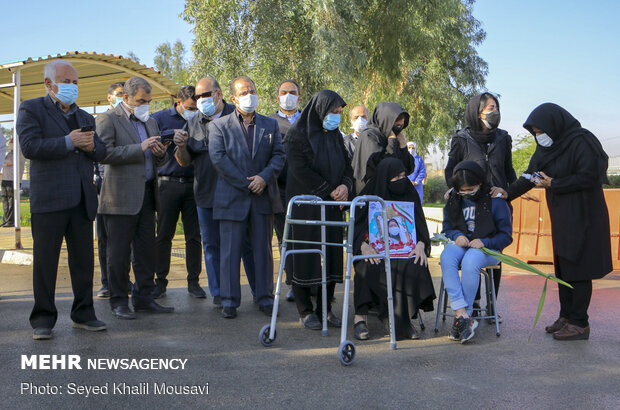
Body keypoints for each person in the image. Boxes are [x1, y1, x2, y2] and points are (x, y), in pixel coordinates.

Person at [493, 103, 612, 341]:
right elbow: (531, 175)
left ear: (554, 125)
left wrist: (554, 184)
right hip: (563, 218)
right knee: (564, 267)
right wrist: (507, 193)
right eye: (535, 132)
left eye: (541, 131)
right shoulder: (547, 148)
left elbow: (589, 176)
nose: (539, 137)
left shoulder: (582, 141)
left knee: (579, 268)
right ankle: (566, 316)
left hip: (585, 216)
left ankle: (580, 323)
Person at [17, 60, 107, 339]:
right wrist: (69, 142)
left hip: (82, 200)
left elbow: (100, 151)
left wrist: (93, 146)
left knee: (83, 262)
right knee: (46, 263)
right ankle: (43, 319)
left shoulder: (84, 116)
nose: (72, 87)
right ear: (49, 84)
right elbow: (30, 146)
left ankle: (84, 313)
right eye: (67, 82)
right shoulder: (31, 109)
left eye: (75, 82)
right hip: (49, 200)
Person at [175, 76, 258, 308]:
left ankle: (259, 292)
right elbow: (183, 162)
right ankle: (220, 295)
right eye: (197, 97)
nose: (201, 100)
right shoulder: (192, 123)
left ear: (219, 94)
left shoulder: (238, 115)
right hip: (206, 194)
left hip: (238, 193)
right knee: (212, 246)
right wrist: (181, 146)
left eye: (205, 95)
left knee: (245, 244)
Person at [96, 76, 174, 320]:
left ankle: (144, 299)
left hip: (148, 195)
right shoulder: (108, 119)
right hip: (119, 197)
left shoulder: (150, 121)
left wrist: (161, 153)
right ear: (126, 98)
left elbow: (156, 159)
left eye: (149, 101)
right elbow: (104, 153)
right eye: (141, 100)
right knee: (118, 254)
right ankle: (119, 301)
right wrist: (139, 148)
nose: (145, 105)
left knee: (145, 252)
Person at [208, 76, 285, 319]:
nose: (249, 95)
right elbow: (219, 159)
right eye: (243, 92)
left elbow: (279, 156)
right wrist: (246, 183)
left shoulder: (270, 125)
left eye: (252, 90)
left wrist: (263, 178)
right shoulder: (218, 126)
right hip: (232, 197)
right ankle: (229, 301)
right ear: (233, 98)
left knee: (263, 251)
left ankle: (264, 298)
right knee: (229, 252)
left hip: (263, 197)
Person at [284, 89, 354, 330]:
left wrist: (345, 186)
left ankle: (326, 310)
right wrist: (328, 190)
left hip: (332, 208)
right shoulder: (297, 135)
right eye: (333, 112)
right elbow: (299, 169)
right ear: (320, 110)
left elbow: (347, 165)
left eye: (339, 113)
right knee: (306, 256)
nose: (336, 117)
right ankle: (305, 310)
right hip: (307, 208)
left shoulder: (335, 136)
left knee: (332, 256)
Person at [444, 93, 516, 310]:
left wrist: (509, 191)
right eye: (489, 108)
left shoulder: (503, 138)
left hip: (496, 204)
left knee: (493, 252)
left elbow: (508, 169)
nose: (495, 112)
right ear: (477, 112)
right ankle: (472, 303)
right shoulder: (462, 139)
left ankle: (492, 305)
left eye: (496, 107)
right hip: (469, 203)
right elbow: (451, 170)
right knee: (469, 255)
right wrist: (456, 190)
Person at [353, 157, 435, 340]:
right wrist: (363, 246)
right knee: (367, 266)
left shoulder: (410, 193)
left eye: (403, 176)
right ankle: (359, 318)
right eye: (395, 177)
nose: (401, 181)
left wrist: (421, 245)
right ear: (384, 178)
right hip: (374, 251)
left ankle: (404, 321)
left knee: (415, 264)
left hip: (404, 250)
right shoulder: (369, 195)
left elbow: (421, 227)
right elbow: (355, 229)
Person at [440, 161, 512, 343]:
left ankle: (466, 316)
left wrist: (485, 241)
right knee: (447, 256)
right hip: (463, 244)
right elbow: (447, 227)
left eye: (470, 189)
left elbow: (506, 235)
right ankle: (462, 314)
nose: (466, 194)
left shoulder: (495, 200)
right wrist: (456, 235)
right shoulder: (454, 199)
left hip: (489, 247)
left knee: (471, 260)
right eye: (461, 190)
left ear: (480, 183)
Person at [151, 86, 205, 299]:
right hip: (167, 183)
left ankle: (194, 282)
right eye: (190, 107)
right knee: (164, 234)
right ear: (178, 102)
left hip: (193, 183)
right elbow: (149, 136)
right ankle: (160, 282)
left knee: (194, 236)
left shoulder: (201, 118)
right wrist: (170, 134)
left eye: (195, 107)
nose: (193, 111)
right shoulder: (160, 118)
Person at [270, 79, 302, 302]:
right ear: (277, 97)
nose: (288, 95)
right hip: (280, 189)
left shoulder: (309, 121)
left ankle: (307, 280)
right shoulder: (268, 123)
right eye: (284, 92)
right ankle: (292, 282)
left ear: (299, 97)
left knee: (307, 237)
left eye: (292, 92)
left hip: (307, 190)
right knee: (285, 238)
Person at [95, 81, 125, 298]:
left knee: (126, 240)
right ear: (109, 98)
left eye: (125, 94)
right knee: (105, 239)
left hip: (126, 187)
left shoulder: (130, 121)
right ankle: (106, 282)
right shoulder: (102, 120)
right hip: (104, 188)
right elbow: (96, 153)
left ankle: (125, 281)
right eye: (119, 94)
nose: (123, 97)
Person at [352, 102, 414, 193]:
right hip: (371, 192)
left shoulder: (393, 136)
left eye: (402, 123)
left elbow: (408, 168)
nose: (400, 126)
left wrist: (403, 146)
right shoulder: (369, 136)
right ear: (386, 120)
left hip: (390, 192)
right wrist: (391, 141)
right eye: (396, 122)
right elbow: (384, 166)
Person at [1, 135, 25, 227]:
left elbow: (9, 162)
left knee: (12, 201)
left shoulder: (19, 153)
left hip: (13, 180)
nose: (10, 143)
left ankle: (11, 221)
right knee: (5, 201)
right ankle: (6, 220)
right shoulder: (9, 153)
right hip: (5, 179)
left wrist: (4, 163)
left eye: (12, 141)